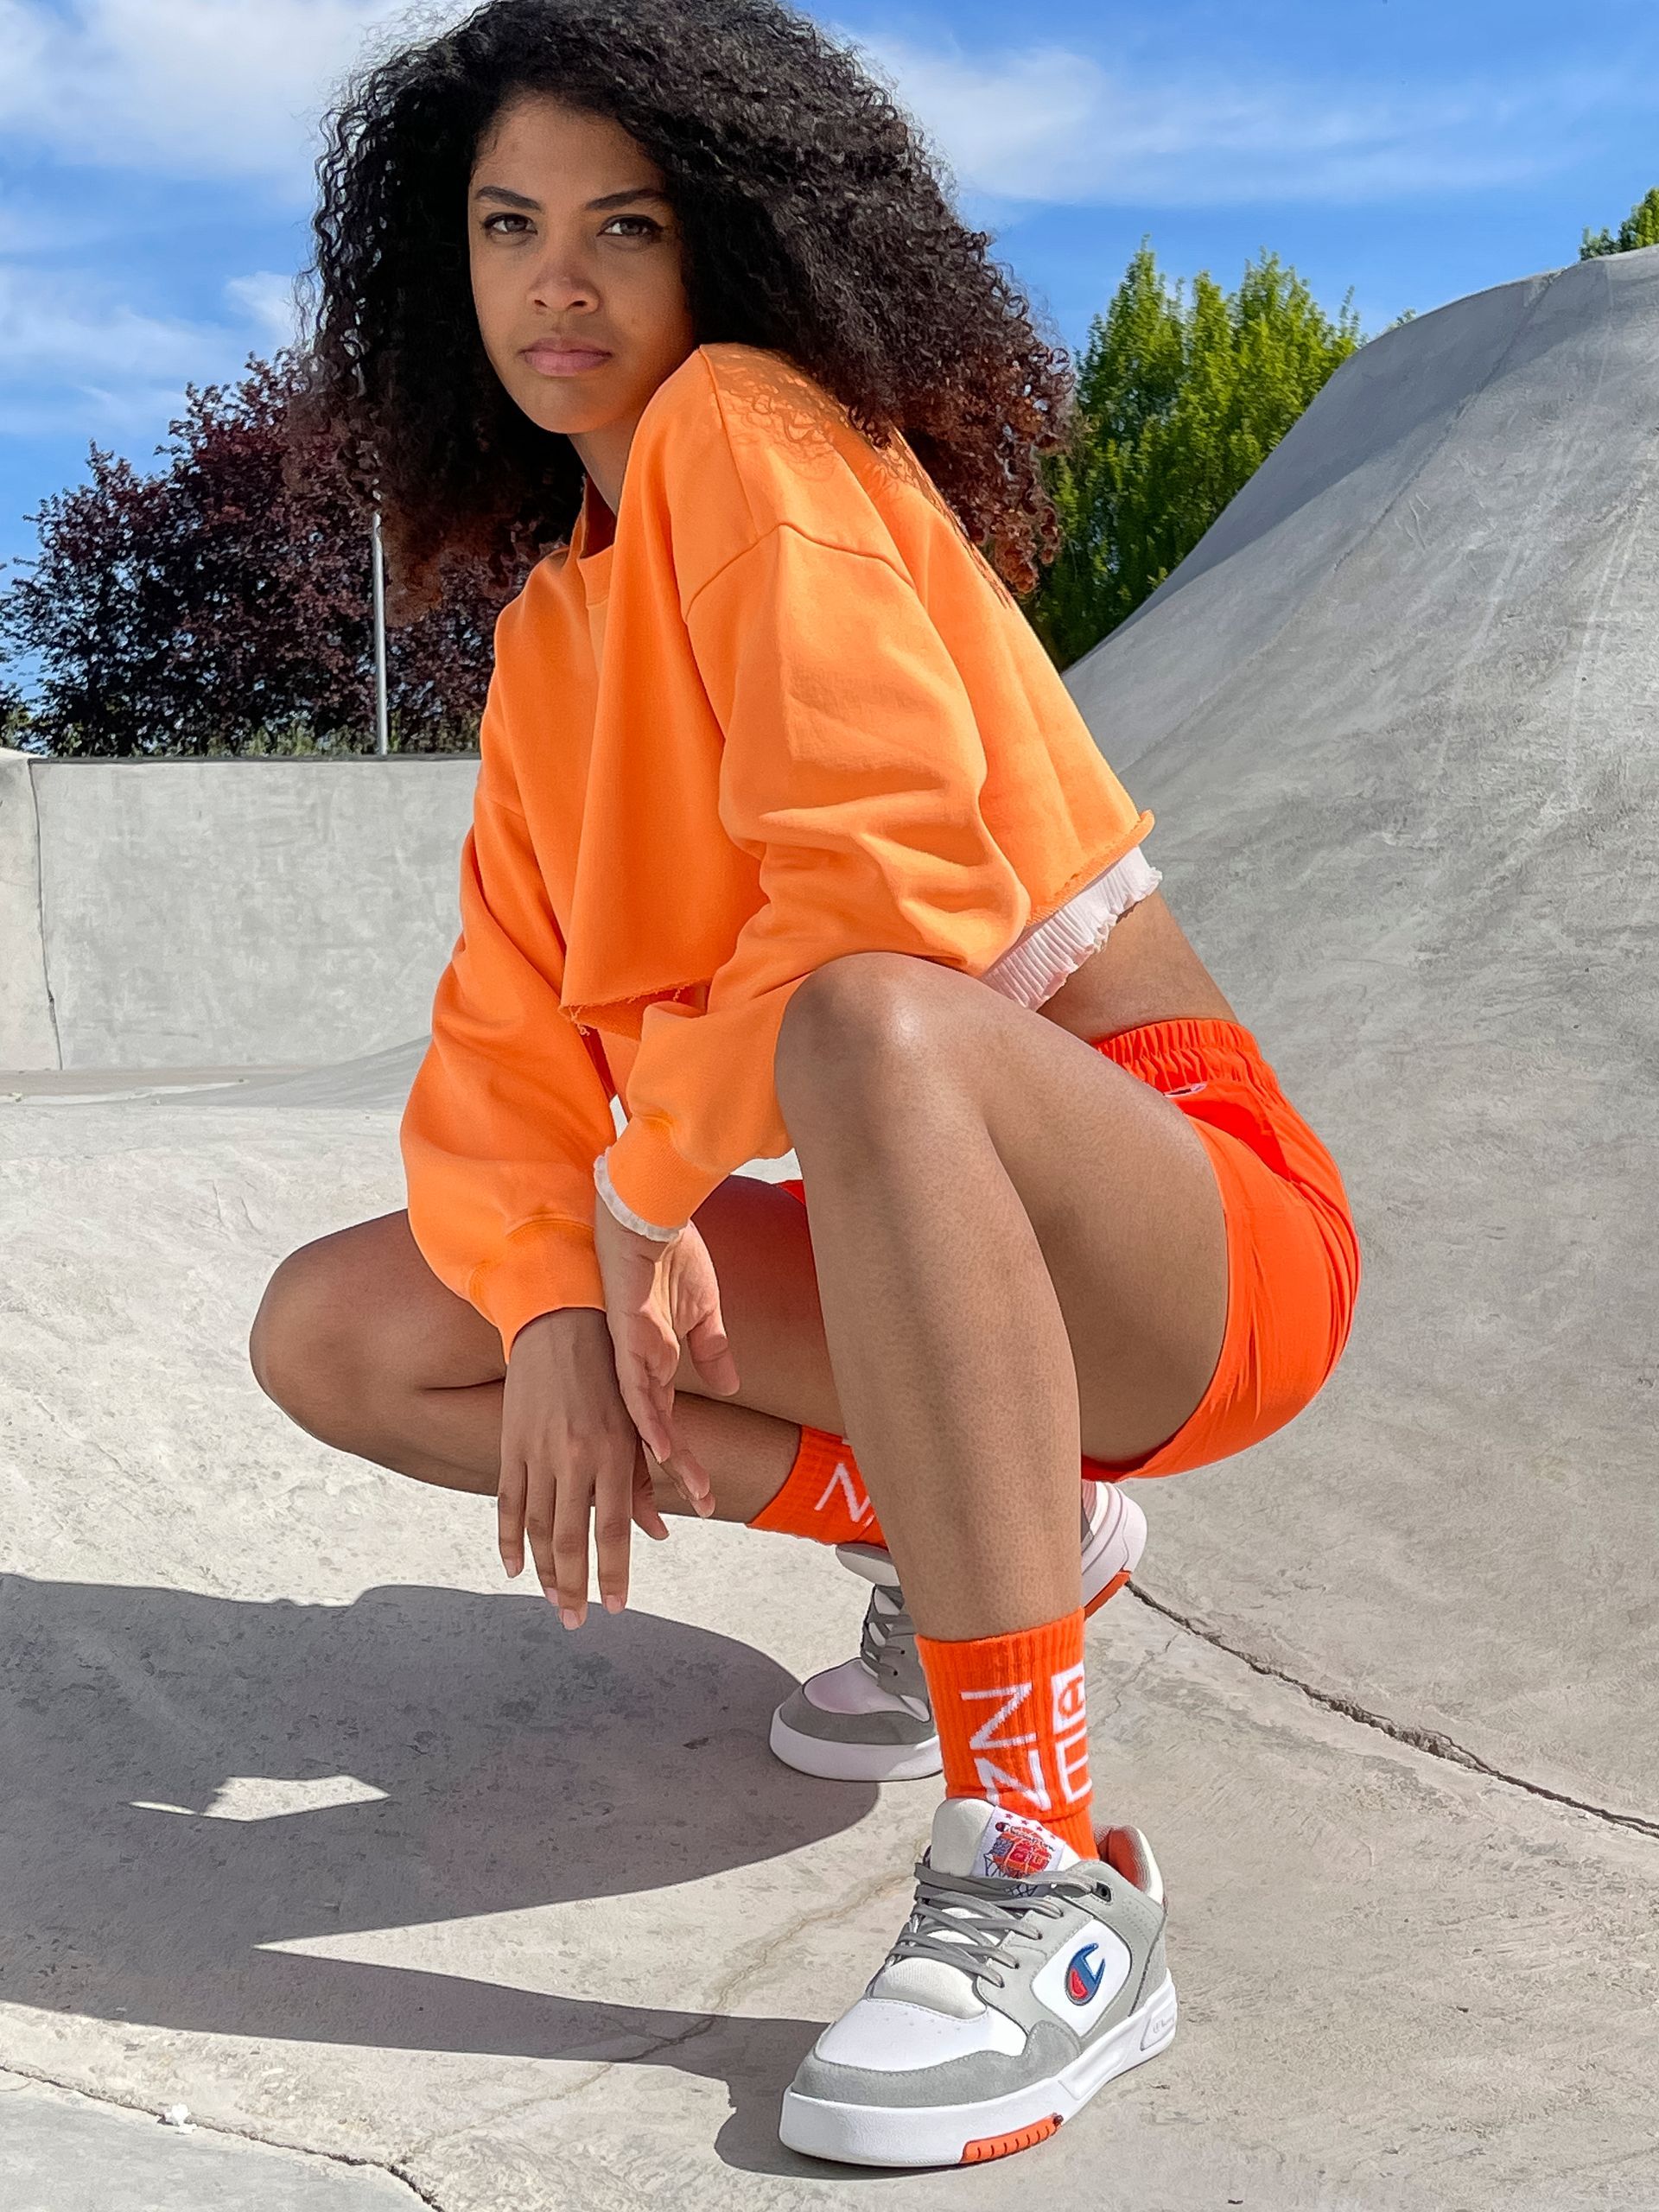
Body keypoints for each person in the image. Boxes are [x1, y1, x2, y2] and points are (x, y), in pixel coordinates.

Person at [251, 0, 1361, 2170]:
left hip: (1199, 1237)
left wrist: (646, 1194)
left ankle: (1053, 1883)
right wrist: (559, 1299)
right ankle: (993, 1535)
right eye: (504, 226)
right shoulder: (551, 637)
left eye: (620, 226)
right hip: (932, 1262)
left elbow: (885, 883)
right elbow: (500, 1047)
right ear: (439, 268)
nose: (555, 282)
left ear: (720, 254)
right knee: (354, 1331)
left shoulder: (751, 435)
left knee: (859, 1014)